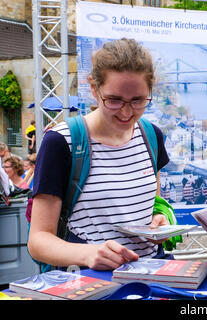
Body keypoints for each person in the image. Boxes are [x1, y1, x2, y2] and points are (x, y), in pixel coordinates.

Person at [28, 38, 171, 271]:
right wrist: (88, 254)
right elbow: (38, 241)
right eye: (114, 100)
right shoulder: (62, 142)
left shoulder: (151, 136)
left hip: (153, 272)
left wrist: (159, 221)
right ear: (94, 88)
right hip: (94, 281)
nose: (126, 112)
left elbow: (150, 205)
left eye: (138, 100)